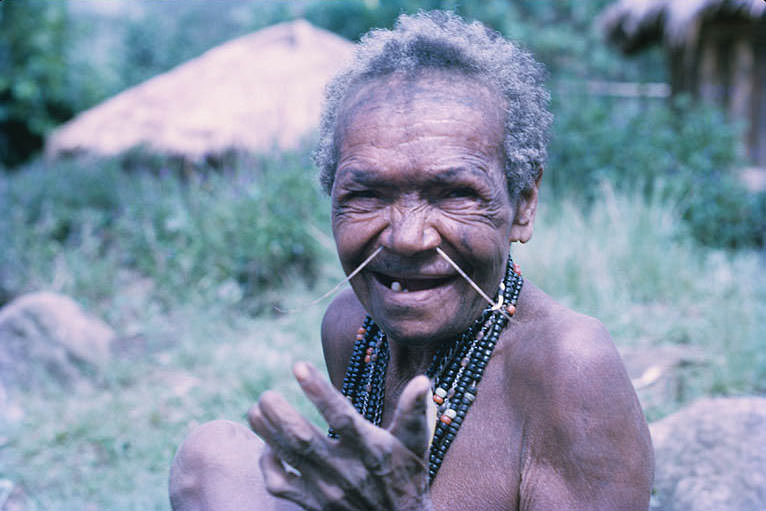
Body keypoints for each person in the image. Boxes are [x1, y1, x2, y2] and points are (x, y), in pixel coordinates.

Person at [169, 11, 653, 511]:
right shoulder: (351, 326)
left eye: (453, 194)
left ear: (523, 205)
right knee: (212, 456)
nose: (406, 238)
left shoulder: (570, 368)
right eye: (368, 195)